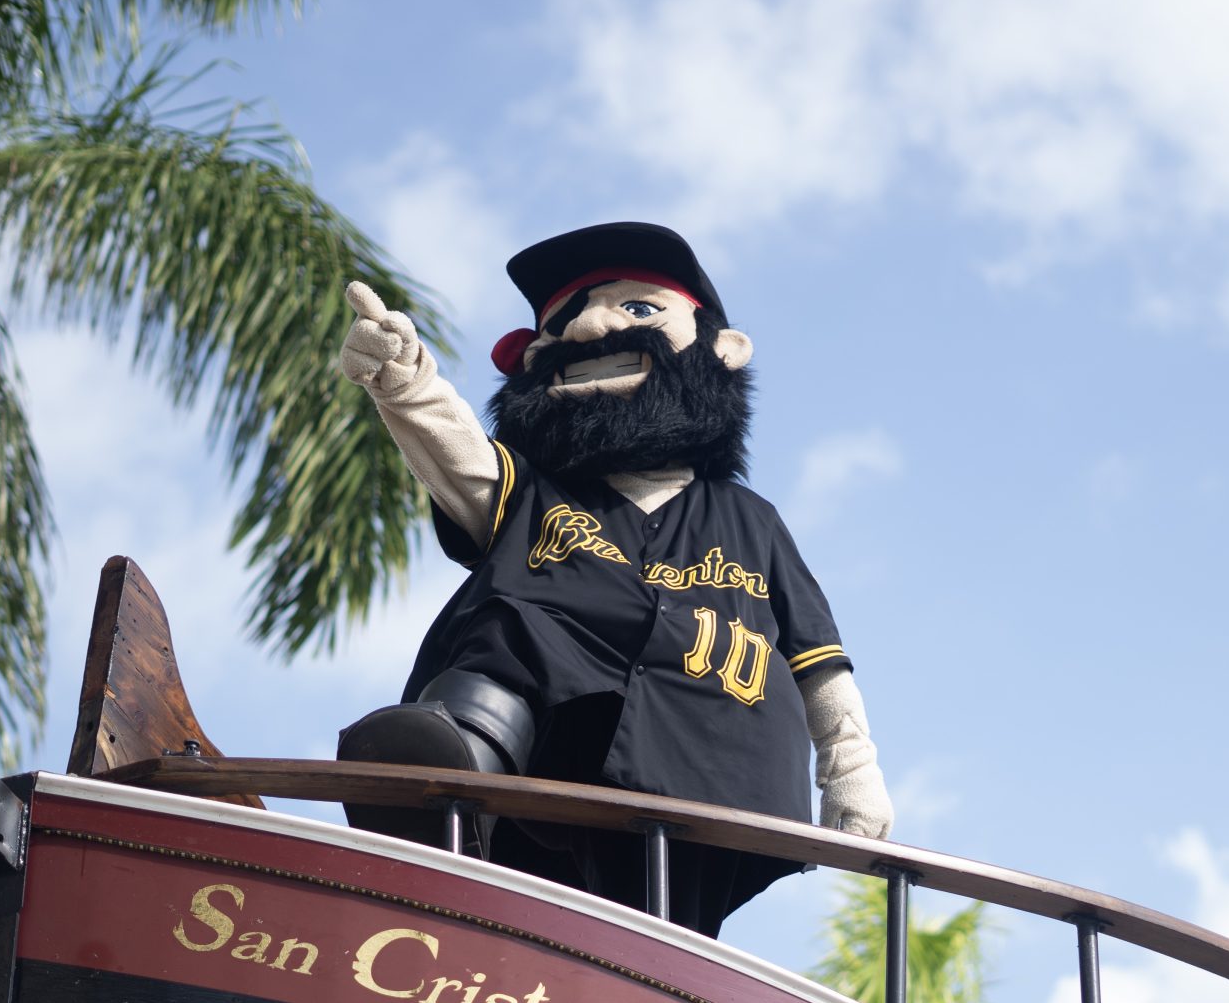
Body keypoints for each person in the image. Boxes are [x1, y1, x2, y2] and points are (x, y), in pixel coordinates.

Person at [334, 222, 891, 936]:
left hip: (712, 764)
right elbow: (462, 460)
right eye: (563, 325)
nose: (589, 330)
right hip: (553, 750)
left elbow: (818, 658)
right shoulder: (534, 495)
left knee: (661, 942)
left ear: (723, 348)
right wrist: (407, 383)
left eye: (636, 309)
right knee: (515, 618)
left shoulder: (751, 521)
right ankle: (451, 772)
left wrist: (851, 772)